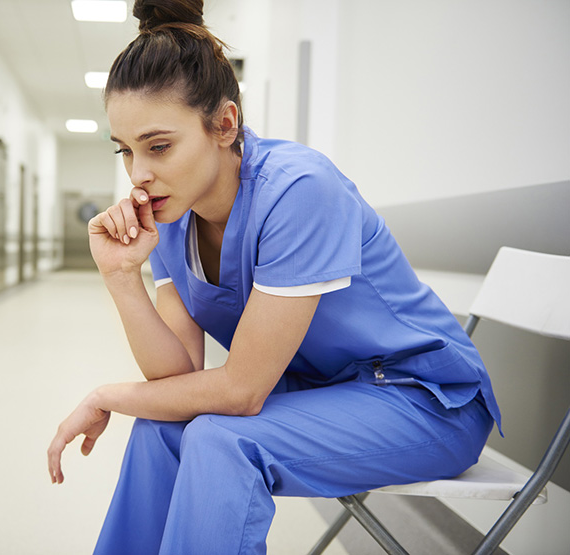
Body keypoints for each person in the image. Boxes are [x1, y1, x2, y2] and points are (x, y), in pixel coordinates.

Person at [47, 0, 502, 553]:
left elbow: (239, 392)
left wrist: (106, 394)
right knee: (160, 429)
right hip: (321, 395)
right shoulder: (168, 215)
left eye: (159, 146)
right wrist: (122, 277)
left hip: (424, 402)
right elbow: (178, 377)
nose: (139, 175)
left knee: (222, 440)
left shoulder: (298, 189)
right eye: (126, 151)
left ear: (225, 124)